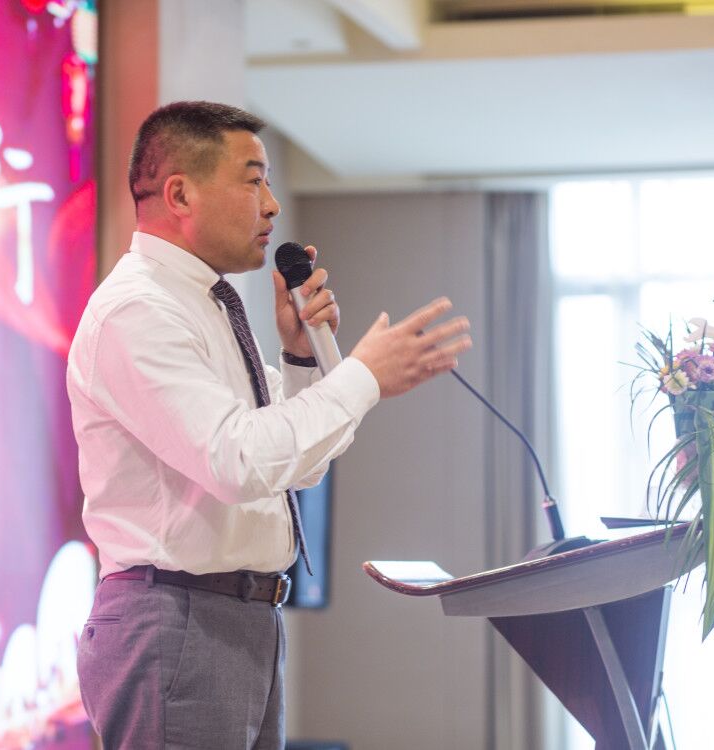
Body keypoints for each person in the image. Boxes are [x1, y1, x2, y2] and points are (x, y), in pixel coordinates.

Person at [67, 100, 471, 749]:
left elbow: (292, 466)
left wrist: (303, 358)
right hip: (177, 617)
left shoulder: (203, 304)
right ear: (180, 195)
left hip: (239, 619)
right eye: (253, 180)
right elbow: (237, 464)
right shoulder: (139, 311)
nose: (273, 205)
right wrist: (364, 374)